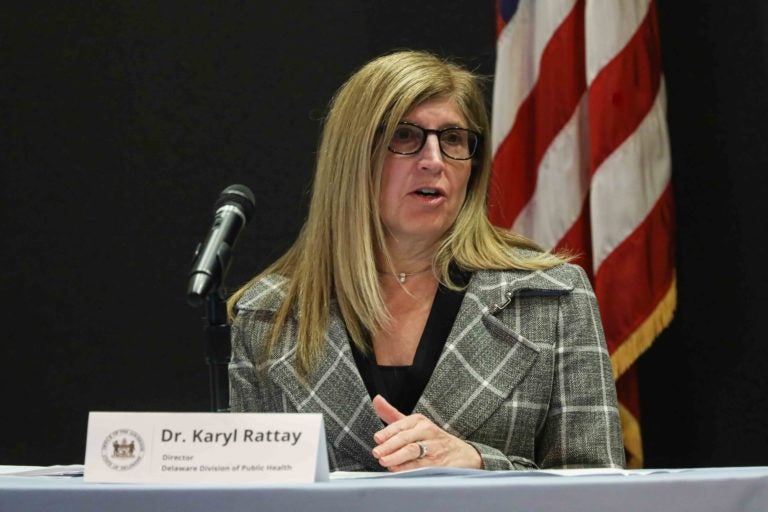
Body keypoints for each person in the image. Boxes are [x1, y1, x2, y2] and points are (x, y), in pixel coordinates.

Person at [227, 50, 625, 472]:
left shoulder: (551, 298)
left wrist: (478, 464)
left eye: (452, 139)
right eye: (404, 136)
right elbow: (251, 491)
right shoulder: (269, 316)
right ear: (352, 157)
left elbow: (598, 487)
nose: (434, 160)